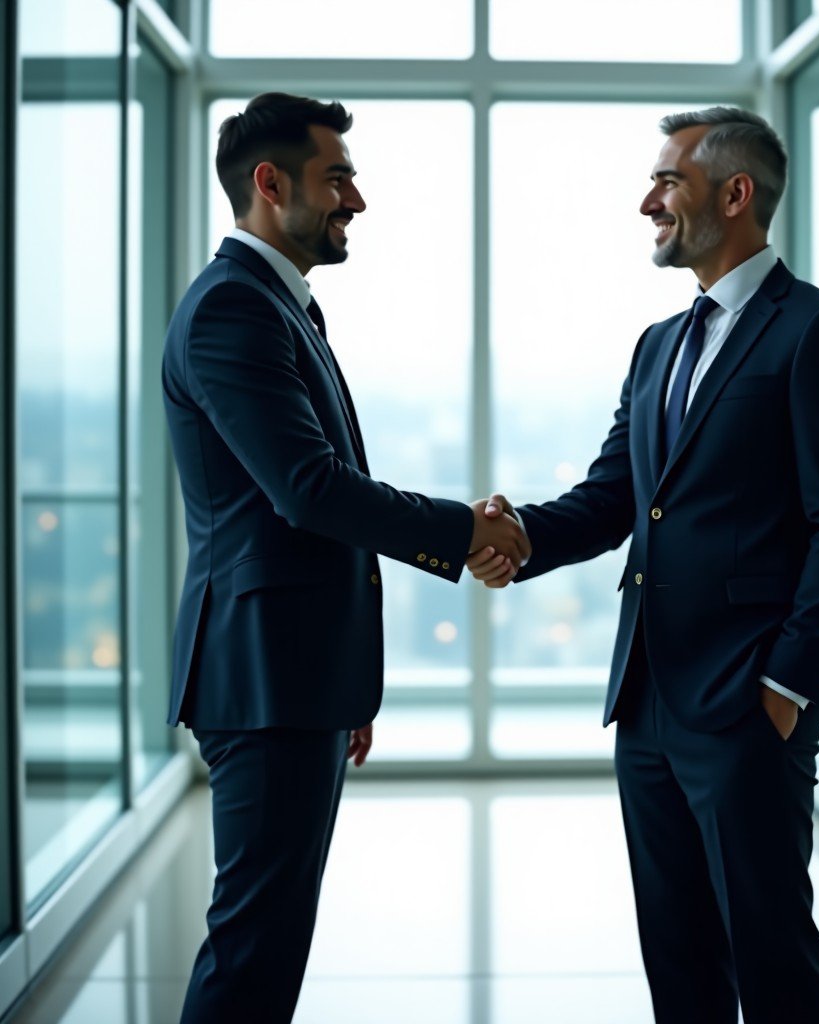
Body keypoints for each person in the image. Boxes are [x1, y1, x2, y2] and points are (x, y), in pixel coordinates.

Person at [468, 107, 819, 1023]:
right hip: (649, 701)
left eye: (669, 181)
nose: (646, 200)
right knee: (678, 955)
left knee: (769, 950)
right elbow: (615, 497)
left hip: (749, 703)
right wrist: (519, 536)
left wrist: (787, 686)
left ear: (735, 195)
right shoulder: (659, 344)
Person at [162, 92, 528, 1024]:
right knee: (253, 948)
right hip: (264, 681)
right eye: (338, 178)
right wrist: (466, 529)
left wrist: (343, 688)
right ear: (269, 183)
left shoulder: (278, 308)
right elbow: (310, 490)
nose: (356, 200)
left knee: (271, 941)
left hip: (296, 680)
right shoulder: (232, 314)